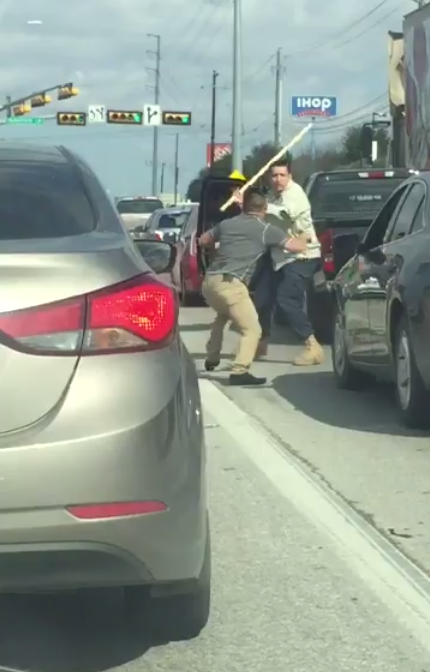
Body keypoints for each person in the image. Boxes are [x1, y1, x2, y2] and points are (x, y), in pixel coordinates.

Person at [198, 187, 307, 386]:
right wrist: (305, 237)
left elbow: (203, 240)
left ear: (244, 207)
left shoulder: (227, 224)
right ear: (264, 208)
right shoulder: (266, 229)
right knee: (252, 330)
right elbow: (296, 247)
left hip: (209, 282)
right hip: (232, 284)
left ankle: (212, 356)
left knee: (223, 315)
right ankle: (240, 370)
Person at [259, 157, 324, 366]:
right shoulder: (273, 196)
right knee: (262, 297)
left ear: (290, 176)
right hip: (281, 257)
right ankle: (260, 342)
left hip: (302, 256)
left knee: (286, 299)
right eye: (274, 175)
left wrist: (260, 205)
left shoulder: (294, 194)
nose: (278, 179)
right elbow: (262, 217)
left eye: (282, 175)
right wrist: (245, 203)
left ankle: (312, 346)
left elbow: (285, 214)